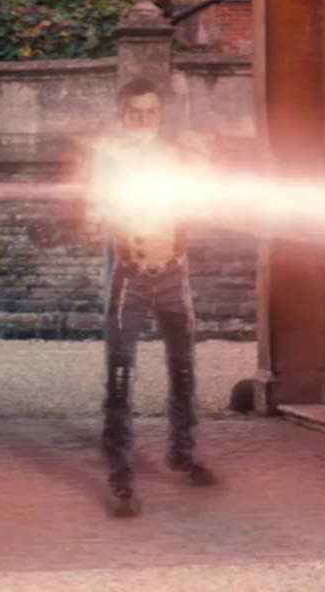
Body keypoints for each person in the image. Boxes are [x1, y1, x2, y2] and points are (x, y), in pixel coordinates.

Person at [85, 77, 219, 517]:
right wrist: (99, 214)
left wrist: (203, 168)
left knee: (184, 370)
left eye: (151, 112)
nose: (144, 120)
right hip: (131, 276)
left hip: (173, 274)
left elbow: (202, 201)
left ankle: (182, 452)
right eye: (136, 113)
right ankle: (121, 480)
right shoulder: (108, 159)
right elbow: (93, 211)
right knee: (120, 376)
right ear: (122, 115)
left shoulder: (176, 156)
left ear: (160, 115)